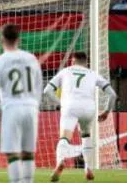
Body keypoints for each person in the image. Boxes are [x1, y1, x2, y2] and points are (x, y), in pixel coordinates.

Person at [43, 52, 117, 182]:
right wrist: (106, 111)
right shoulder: (93, 73)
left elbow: (47, 91)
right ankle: (88, 167)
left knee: (65, 137)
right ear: (86, 63)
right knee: (86, 135)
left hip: (70, 106)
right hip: (89, 109)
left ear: (72, 61)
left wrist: (61, 104)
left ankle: (60, 162)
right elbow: (113, 95)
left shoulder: (65, 71)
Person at [0, 24, 42, 183]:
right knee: (28, 153)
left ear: (1, 39)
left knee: (13, 154)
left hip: (11, 108)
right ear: (18, 39)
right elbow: (39, 86)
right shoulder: (31, 58)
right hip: (31, 108)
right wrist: (35, 106)